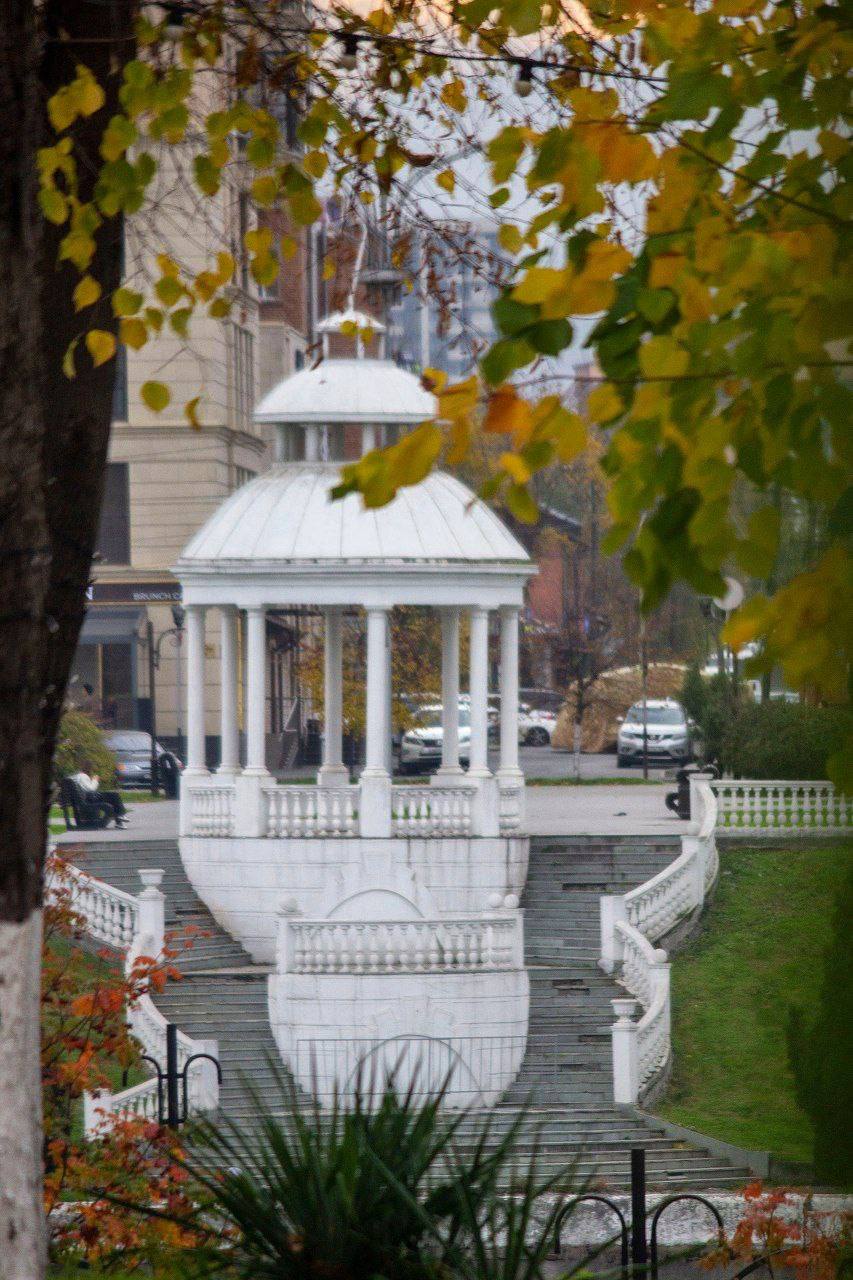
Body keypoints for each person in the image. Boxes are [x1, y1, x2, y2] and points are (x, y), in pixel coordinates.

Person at [71, 760, 129, 828]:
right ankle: (120, 817)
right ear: (88, 768)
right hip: (88, 799)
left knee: (113, 797)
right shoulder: (82, 776)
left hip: (84, 799)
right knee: (114, 795)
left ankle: (119, 820)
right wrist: (95, 780)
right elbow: (91, 789)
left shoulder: (77, 776)